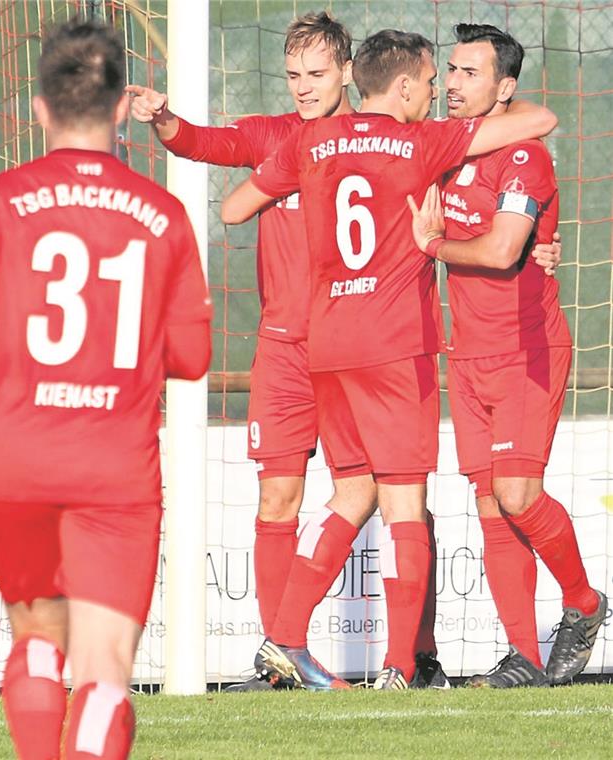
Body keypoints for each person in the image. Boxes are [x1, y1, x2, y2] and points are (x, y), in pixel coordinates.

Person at [222, 29, 558, 690]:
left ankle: (284, 638)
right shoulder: (419, 142)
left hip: (325, 345)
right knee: (405, 507)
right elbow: (539, 121)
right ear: (402, 87)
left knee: (350, 494)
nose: (437, 92)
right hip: (393, 346)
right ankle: (401, 667)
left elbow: (234, 209)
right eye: (432, 81)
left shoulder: (312, 141)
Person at [128, 12, 447, 692]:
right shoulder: (275, 137)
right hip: (286, 350)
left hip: (363, 345)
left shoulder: (394, 141)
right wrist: (164, 121)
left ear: (346, 74)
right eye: (293, 76)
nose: (303, 88)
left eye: (316, 75)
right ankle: (280, 663)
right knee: (279, 499)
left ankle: (414, 657)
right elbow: (204, 145)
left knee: (394, 499)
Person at [0, 18, 211, 759]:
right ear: (123, 108)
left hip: (14, 449)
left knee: (36, 636)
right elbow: (192, 356)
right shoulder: (166, 215)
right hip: (113, 462)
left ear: (39, 109)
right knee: (105, 672)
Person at [407, 23, 607, 688]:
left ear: (504, 88)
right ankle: (524, 654)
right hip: (466, 358)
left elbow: (497, 251)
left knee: (519, 495)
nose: (454, 84)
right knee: (490, 505)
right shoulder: (445, 150)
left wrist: (432, 244)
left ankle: (582, 604)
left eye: (470, 73)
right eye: (451, 71)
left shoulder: (523, 157)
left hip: (525, 350)